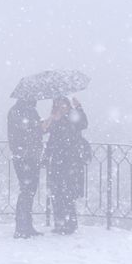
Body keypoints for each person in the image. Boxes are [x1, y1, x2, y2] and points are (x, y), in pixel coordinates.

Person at [44, 95, 90, 234]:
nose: (61, 108)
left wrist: (79, 108)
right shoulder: (55, 120)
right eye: (58, 105)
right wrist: (52, 118)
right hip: (58, 161)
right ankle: (60, 224)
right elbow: (49, 137)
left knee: (67, 194)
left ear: (68, 106)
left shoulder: (73, 116)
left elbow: (84, 124)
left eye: (63, 105)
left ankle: (70, 224)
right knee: (57, 193)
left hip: (71, 162)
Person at [7, 97, 44, 238]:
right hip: (25, 156)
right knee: (27, 191)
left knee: (28, 191)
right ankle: (22, 227)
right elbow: (28, 130)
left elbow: (33, 130)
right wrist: (40, 126)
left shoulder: (24, 110)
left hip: (27, 155)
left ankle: (26, 226)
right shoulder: (20, 111)